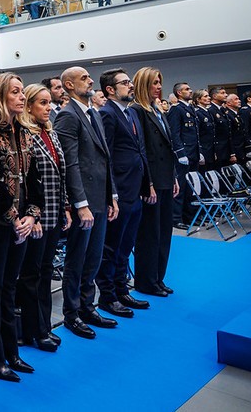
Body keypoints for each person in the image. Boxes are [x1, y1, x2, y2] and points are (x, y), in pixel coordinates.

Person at [0, 72, 42, 382]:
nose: (21, 97)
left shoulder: (25, 130)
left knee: (10, 287)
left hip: (21, 223)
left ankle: (11, 350)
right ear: (1, 95)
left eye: (21, 92)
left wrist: (31, 215)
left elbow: (33, 179)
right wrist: (14, 217)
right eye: (14, 92)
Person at [53, 66, 119, 340]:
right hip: (84, 203)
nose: (91, 80)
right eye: (84, 78)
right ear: (68, 85)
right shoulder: (68, 117)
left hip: (100, 199)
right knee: (77, 259)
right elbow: (71, 164)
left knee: (93, 258)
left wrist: (111, 194)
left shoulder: (93, 113)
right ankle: (72, 313)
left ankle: (88, 306)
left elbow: (104, 158)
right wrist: (79, 203)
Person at [17, 84, 70, 352]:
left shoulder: (51, 132)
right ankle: (33, 329)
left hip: (54, 212)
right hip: (37, 216)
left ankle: (44, 326)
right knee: (32, 275)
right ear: (29, 106)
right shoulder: (25, 134)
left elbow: (62, 175)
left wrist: (67, 208)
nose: (49, 107)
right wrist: (32, 216)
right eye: (42, 103)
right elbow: (25, 182)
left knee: (46, 272)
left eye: (50, 102)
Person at [94, 69, 151, 319]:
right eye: (125, 82)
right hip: (119, 190)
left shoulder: (132, 113)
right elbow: (104, 157)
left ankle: (121, 288)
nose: (131, 86)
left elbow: (140, 150)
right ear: (110, 89)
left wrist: (147, 183)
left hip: (135, 188)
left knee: (126, 245)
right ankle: (107, 296)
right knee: (112, 247)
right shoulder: (107, 114)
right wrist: (112, 194)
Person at [129, 67, 179, 297]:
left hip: (165, 177)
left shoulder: (157, 109)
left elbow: (168, 148)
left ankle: (159, 277)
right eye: (154, 83)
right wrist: (147, 183)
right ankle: (146, 281)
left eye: (160, 82)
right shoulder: (136, 111)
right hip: (151, 181)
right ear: (143, 84)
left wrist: (174, 177)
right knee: (150, 234)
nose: (159, 87)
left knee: (164, 232)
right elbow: (141, 151)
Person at [167, 82, 202, 229]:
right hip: (183, 154)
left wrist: (199, 152)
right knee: (180, 187)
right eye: (187, 89)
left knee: (191, 186)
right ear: (179, 93)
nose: (191, 91)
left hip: (193, 153)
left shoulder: (190, 108)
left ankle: (189, 216)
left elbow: (195, 133)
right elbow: (174, 133)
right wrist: (180, 153)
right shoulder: (176, 109)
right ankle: (176, 218)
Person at [209, 86, 233, 167]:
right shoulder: (210, 110)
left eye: (225, 93)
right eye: (222, 93)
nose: (226, 95)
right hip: (218, 149)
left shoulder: (222, 109)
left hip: (226, 148)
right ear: (214, 96)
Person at [194, 89, 217, 172]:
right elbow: (197, 133)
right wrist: (200, 152)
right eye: (205, 96)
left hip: (211, 149)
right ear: (198, 99)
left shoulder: (208, 112)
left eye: (208, 96)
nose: (209, 98)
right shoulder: (197, 113)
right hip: (204, 149)